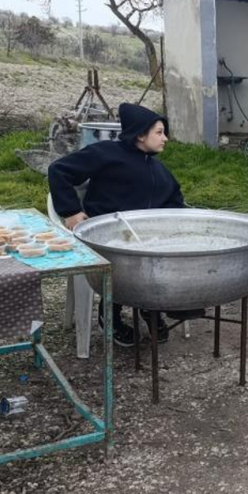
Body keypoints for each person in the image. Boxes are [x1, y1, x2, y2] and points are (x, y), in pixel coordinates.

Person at [48, 103, 185, 347]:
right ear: (140, 134)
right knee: (125, 259)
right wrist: (71, 211)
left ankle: (153, 308)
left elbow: (175, 203)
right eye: (159, 132)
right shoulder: (106, 153)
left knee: (168, 255)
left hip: (146, 239)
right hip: (105, 236)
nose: (165, 138)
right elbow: (59, 171)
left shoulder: (159, 170)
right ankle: (110, 314)